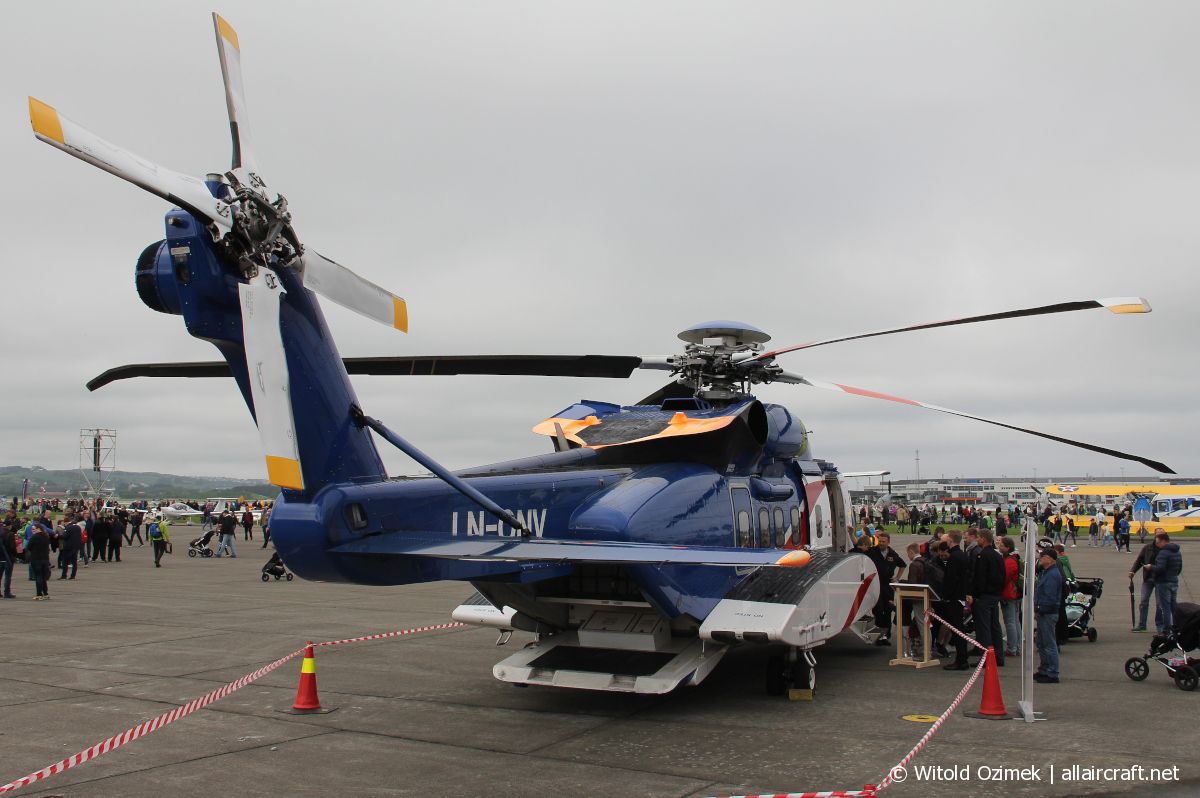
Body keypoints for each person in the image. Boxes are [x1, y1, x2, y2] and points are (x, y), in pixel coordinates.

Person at [968, 529, 1006, 666]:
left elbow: (980, 577)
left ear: (983, 539)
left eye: (978, 538)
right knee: (995, 626)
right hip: (995, 594)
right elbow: (1003, 576)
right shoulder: (997, 555)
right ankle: (998, 656)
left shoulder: (982, 555)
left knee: (984, 628)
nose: (977, 540)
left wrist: (975, 594)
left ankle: (986, 657)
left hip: (985, 596)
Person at [938, 531, 972, 670]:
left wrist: (945, 595)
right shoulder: (963, 555)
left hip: (954, 598)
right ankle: (962, 657)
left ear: (950, 541)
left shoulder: (954, 557)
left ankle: (961, 659)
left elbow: (951, 579)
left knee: (957, 629)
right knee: (959, 628)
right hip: (961, 595)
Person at [867, 532, 906, 645]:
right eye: (880, 541)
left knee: (888, 610)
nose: (881, 543)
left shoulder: (893, 554)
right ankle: (879, 635)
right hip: (875, 585)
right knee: (878, 610)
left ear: (888, 542)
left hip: (888, 586)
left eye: (884, 541)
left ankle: (886, 635)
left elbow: (903, 565)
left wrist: (897, 578)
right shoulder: (873, 551)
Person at [1034, 548, 1063, 683]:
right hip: (1043, 612)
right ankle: (1044, 668)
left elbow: (1050, 596)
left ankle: (1053, 672)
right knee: (1041, 642)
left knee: (1049, 643)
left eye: (1043, 556)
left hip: (1047, 612)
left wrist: (1040, 608)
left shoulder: (1052, 575)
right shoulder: (1046, 572)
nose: (1040, 558)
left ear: (1050, 559)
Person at [1129, 532, 1162, 633]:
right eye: (1158, 534)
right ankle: (1142, 625)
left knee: (1159, 604)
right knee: (1143, 602)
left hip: (1161, 580)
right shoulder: (1147, 547)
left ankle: (1160, 626)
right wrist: (1133, 571)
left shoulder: (1166, 549)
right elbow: (1139, 560)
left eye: (1161, 534)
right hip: (1148, 578)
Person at [1150, 532, 1183, 632]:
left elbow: (1160, 568)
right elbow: (1179, 568)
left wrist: (1151, 567)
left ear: (1164, 541)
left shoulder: (1163, 553)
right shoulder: (1177, 551)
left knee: (1165, 607)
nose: (1157, 544)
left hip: (1164, 582)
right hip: (1174, 580)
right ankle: (1177, 627)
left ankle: (1167, 629)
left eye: (1158, 542)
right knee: (1174, 606)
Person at [997, 535, 1022, 657]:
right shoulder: (1013, 559)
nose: (999, 547)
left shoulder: (1009, 561)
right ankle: (1016, 646)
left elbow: (1004, 578)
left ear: (1007, 547)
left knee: (1010, 621)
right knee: (1015, 620)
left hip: (1009, 594)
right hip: (1014, 594)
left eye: (1001, 545)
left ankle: (1012, 647)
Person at [25, 521, 52, 600]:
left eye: (34, 529)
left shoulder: (34, 537)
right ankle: (45, 593)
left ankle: (39, 594)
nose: (32, 531)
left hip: (36, 559)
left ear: (38, 529)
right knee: (44, 577)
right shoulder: (46, 536)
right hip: (45, 559)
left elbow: (28, 547)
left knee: (38, 576)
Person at [58, 515, 83, 580]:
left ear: (65, 522)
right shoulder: (78, 527)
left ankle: (64, 575)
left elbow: (65, 536)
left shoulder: (68, 528)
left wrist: (58, 535)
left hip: (68, 547)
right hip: (76, 546)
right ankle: (73, 576)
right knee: (74, 561)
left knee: (65, 561)